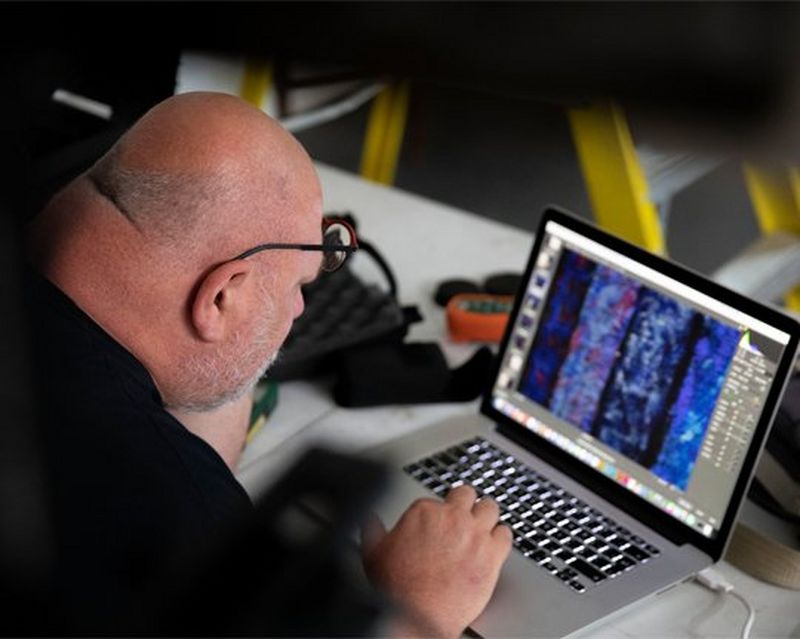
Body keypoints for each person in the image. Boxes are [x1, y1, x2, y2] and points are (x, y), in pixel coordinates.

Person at [26, 91, 511, 636]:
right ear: (219, 298)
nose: (300, 310)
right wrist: (418, 609)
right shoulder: (179, 517)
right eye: (298, 288)